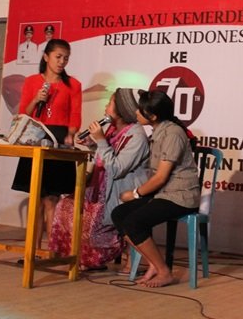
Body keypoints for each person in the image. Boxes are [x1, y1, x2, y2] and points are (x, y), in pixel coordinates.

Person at [49, 88, 150, 271]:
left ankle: (94, 258)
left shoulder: (137, 136)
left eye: (110, 103)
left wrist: (101, 140)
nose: (105, 106)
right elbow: (106, 158)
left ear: (121, 109)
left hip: (122, 191)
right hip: (103, 187)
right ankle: (80, 257)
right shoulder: (112, 129)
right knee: (66, 205)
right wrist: (93, 144)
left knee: (92, 221)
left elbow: (117, 168)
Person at [111, 90, 199, 288]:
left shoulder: (173, 133)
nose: (136, 113)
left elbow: (161, 177)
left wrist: (135, 194)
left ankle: (164, 271)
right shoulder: (157, 132)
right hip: (163, 194)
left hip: (180, 196)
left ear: (153, 116)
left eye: (141, 110)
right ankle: (153, 263)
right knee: (119, 214)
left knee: (134, 221)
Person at [11, 38, 82, 250]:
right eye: (58, 57)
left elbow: (75, 115)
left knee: (51, 199)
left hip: (58, 138)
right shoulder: (32, 81)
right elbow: (23, 112)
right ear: (46, 57)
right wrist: (36, 98)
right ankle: (31, 251)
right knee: (36, 198)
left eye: (66, 58)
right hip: (35, 136)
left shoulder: (73, 85)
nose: (62, 62)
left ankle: (52, 251)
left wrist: (70, 135)